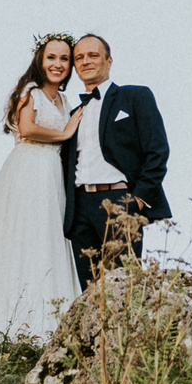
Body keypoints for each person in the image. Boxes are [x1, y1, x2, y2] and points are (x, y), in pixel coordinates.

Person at [0, 34, 85, 344]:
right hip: (28, 172)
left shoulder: (63, 100)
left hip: (52, 177)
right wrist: (65, 133)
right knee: (23, 240)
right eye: (52, 58)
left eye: (63, 59)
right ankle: (10, 329)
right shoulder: (30, 92)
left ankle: (47, 327)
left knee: (47, 241)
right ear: (40, 60)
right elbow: (27, 128)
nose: (57, 64)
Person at [60, 33, 171, 286]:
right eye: (80, 57)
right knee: (90, 294)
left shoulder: (135, 97)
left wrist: (138, 200)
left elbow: (158, 150)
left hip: (120, 202)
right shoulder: (73, 114)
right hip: (79, 210)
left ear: (108, 61)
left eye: (93, 55)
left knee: (125, 287)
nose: (86, 61)